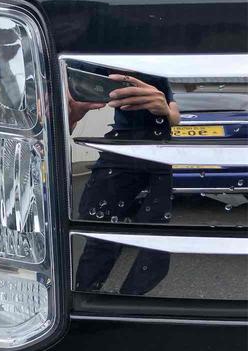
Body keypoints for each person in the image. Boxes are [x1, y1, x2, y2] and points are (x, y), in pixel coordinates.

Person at [72, 73, 180, 295]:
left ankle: (129, 301)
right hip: (121, 145)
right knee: (100, 233)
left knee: (155, 241)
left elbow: (175, 116)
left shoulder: (156, 71)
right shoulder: (92, 64)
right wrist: (73, 111)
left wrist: (165, 110)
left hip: (157, 148)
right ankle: (86, 297)